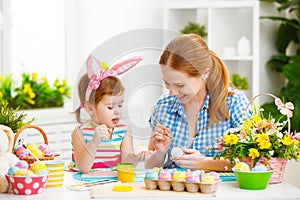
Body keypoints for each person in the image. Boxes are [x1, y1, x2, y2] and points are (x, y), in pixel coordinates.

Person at [144, 34, 250, 171]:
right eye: (167, 84)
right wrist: (160, 152)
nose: (173, 92)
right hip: (173, 190)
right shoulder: (164, 106)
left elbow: (250, 161)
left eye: (180, 85)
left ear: (204, 73)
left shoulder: (233, 103)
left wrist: (204, 163)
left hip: (221, 190)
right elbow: (150, 166)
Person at [69, 55, 151, 173]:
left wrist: (136, 159)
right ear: (90, 109)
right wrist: (95, 141)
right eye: (110, 107)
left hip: (112, 184)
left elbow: (126, 163)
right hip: (84, 185)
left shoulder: (124, 130)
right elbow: (83, 168)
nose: (117, 111)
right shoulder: (79, 133)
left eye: (120, 105)